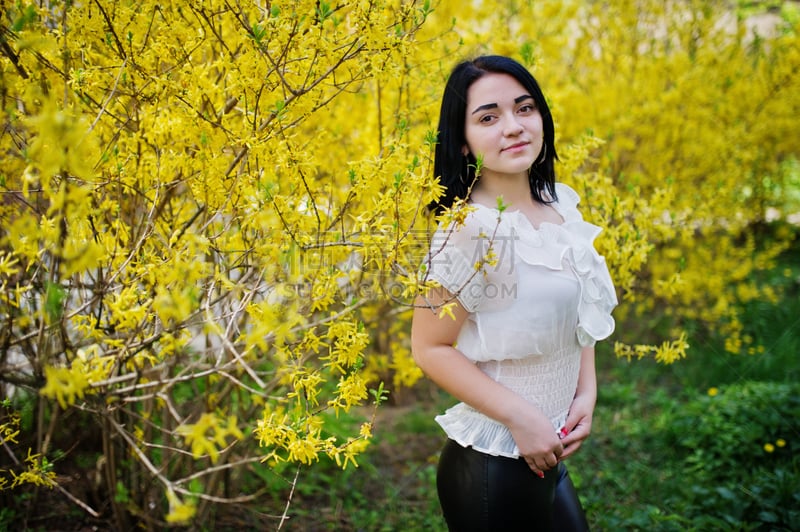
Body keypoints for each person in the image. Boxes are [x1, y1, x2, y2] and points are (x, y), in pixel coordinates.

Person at [411, 55, 618, 531]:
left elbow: (579, 310)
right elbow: (430, 348)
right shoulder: (467, 231)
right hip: (494, 462)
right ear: (462, 143)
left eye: (525, 108)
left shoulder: (559, 206)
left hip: (548, 449)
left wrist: (586, 390)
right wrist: (523, 418)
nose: (514, 126)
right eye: (489, 117)